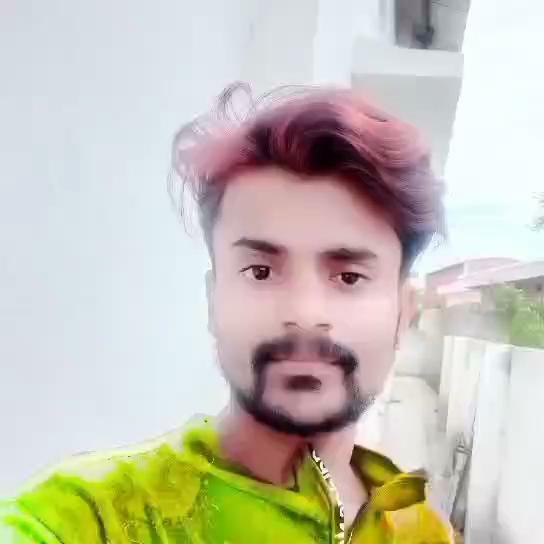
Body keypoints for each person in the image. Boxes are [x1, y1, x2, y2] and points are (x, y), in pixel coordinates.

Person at [0, 83, 452, 543]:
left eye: (349, 277)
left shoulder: (422, 531)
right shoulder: (92, 516)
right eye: (260, 272)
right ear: (213, 301)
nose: (304, 313)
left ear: (403, 312)